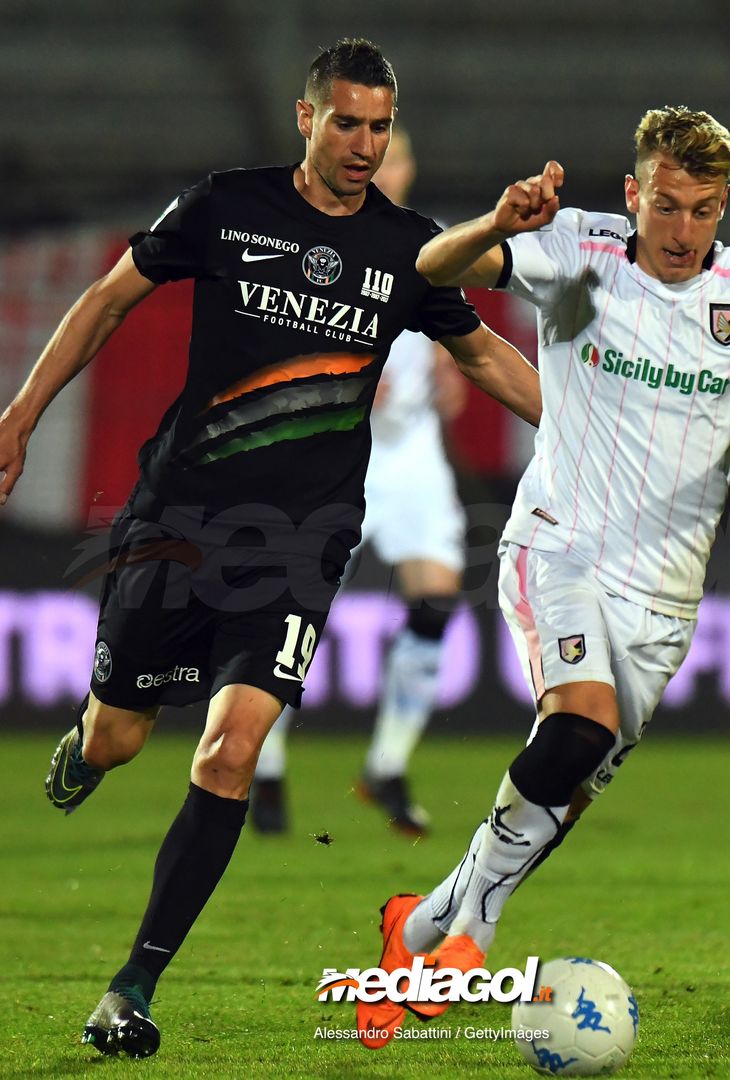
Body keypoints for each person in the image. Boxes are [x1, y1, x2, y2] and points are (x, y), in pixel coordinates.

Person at [0, 39, 541, 1059]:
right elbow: (109, 298)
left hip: (300, 542)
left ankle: (133, 985)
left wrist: (589, 430)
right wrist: (23, 410)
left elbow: (484, 354)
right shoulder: (226, 206)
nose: (363, 145)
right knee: (121, 739)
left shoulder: (408, 248)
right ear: (306, 119)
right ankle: (88, 742)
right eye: (346, 123)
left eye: (379, 128)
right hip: (179, 524)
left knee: (230, 748)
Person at [356, 105, 730, 1049]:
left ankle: (425, 924)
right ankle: (471, 938)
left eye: (708, 211)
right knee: (579, 724)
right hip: (557, 545)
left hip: (665, 599)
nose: (684, 232)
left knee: (564, 785)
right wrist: (496, 224)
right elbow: (429, 270)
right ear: (634, 193)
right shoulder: (577, 253)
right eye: (670, 206)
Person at [251, 126, 470, 837]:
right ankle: (267, 763)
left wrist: (447, 374)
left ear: (407, 169)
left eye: (400, 155)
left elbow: (458, 355)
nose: (386, 166)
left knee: (436, 601)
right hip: (339, 450)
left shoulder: (434, 247)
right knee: (297, 613)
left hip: (412, 458)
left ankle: (386, 765)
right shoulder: (317, 242)